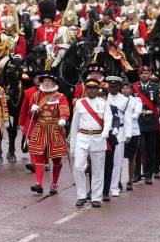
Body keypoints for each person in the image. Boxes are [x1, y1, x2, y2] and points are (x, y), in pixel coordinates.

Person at [26, 72, 69, 195]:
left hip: (55, 128)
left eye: (49, 81)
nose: (46, 82)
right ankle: (38, 183)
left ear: (54, 83)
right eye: (44, 81)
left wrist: (63, 118)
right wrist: (32, 110)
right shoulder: (36, 96)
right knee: (39, 155)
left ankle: (54, 184)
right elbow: (31, 116)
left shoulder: (60, 96)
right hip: (40, 127)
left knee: (56, 158)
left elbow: (64, 108)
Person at [69, 80, 109, 208]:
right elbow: (74, 124)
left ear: (98, 90)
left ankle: (96, 197)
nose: (92, 90)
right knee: (78, 167)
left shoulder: (103, 103)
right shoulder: (80, 103)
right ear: (85, 90)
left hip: (98, 137)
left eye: (94, 88)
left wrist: (106, 132)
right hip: (83, 137)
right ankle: (81, 196)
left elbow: (108, 119)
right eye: (89, 88)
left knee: (97, 169)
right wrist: (72, 144)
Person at [133, 66, 160, 185]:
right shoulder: (134, 88)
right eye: (142, 73)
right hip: (138, 121)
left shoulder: (155, 88)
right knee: (139, 149)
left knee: (151, 149)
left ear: (150, 74)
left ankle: (148, 174)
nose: (144, 75)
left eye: (146, 73)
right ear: (139, 75)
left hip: (152, 122)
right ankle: (136, 174)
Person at [102, 76, 129, 200]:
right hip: (104, 131)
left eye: (115, 87)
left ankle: (114, 187)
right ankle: (103, 186)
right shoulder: (103, 97)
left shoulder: (124, 99)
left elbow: (127, 117)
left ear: (119, 87)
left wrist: (128, 133)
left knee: (117, 161)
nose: (112, 89)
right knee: (103, 161)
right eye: (110, 86)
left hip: (119, 131)